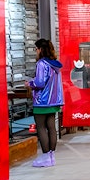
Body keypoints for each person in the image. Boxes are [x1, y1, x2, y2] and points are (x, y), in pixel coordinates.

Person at [28, 38, 64, 168]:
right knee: (52, 128)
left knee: (41, 128)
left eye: (36, 49)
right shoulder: (55, 65)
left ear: (41, 49)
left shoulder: (41, 64)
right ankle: (51, 157)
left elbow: (40, 83)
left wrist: (30, 83)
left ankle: (45, 157)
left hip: (41, 101)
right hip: (53, 101)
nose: (36, 51)